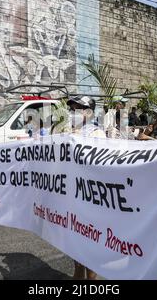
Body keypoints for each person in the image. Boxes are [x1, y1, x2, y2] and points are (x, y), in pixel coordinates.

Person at [66, 95, 105, 280]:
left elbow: (98, 165)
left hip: (89, 198)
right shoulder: (70, 132)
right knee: (74, 241)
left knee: (90, 243)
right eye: (72, 110)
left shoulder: (96, 133)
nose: (73, 113)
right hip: (73, 196)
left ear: (88, 113)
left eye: (78, 109)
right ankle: (78, 274)